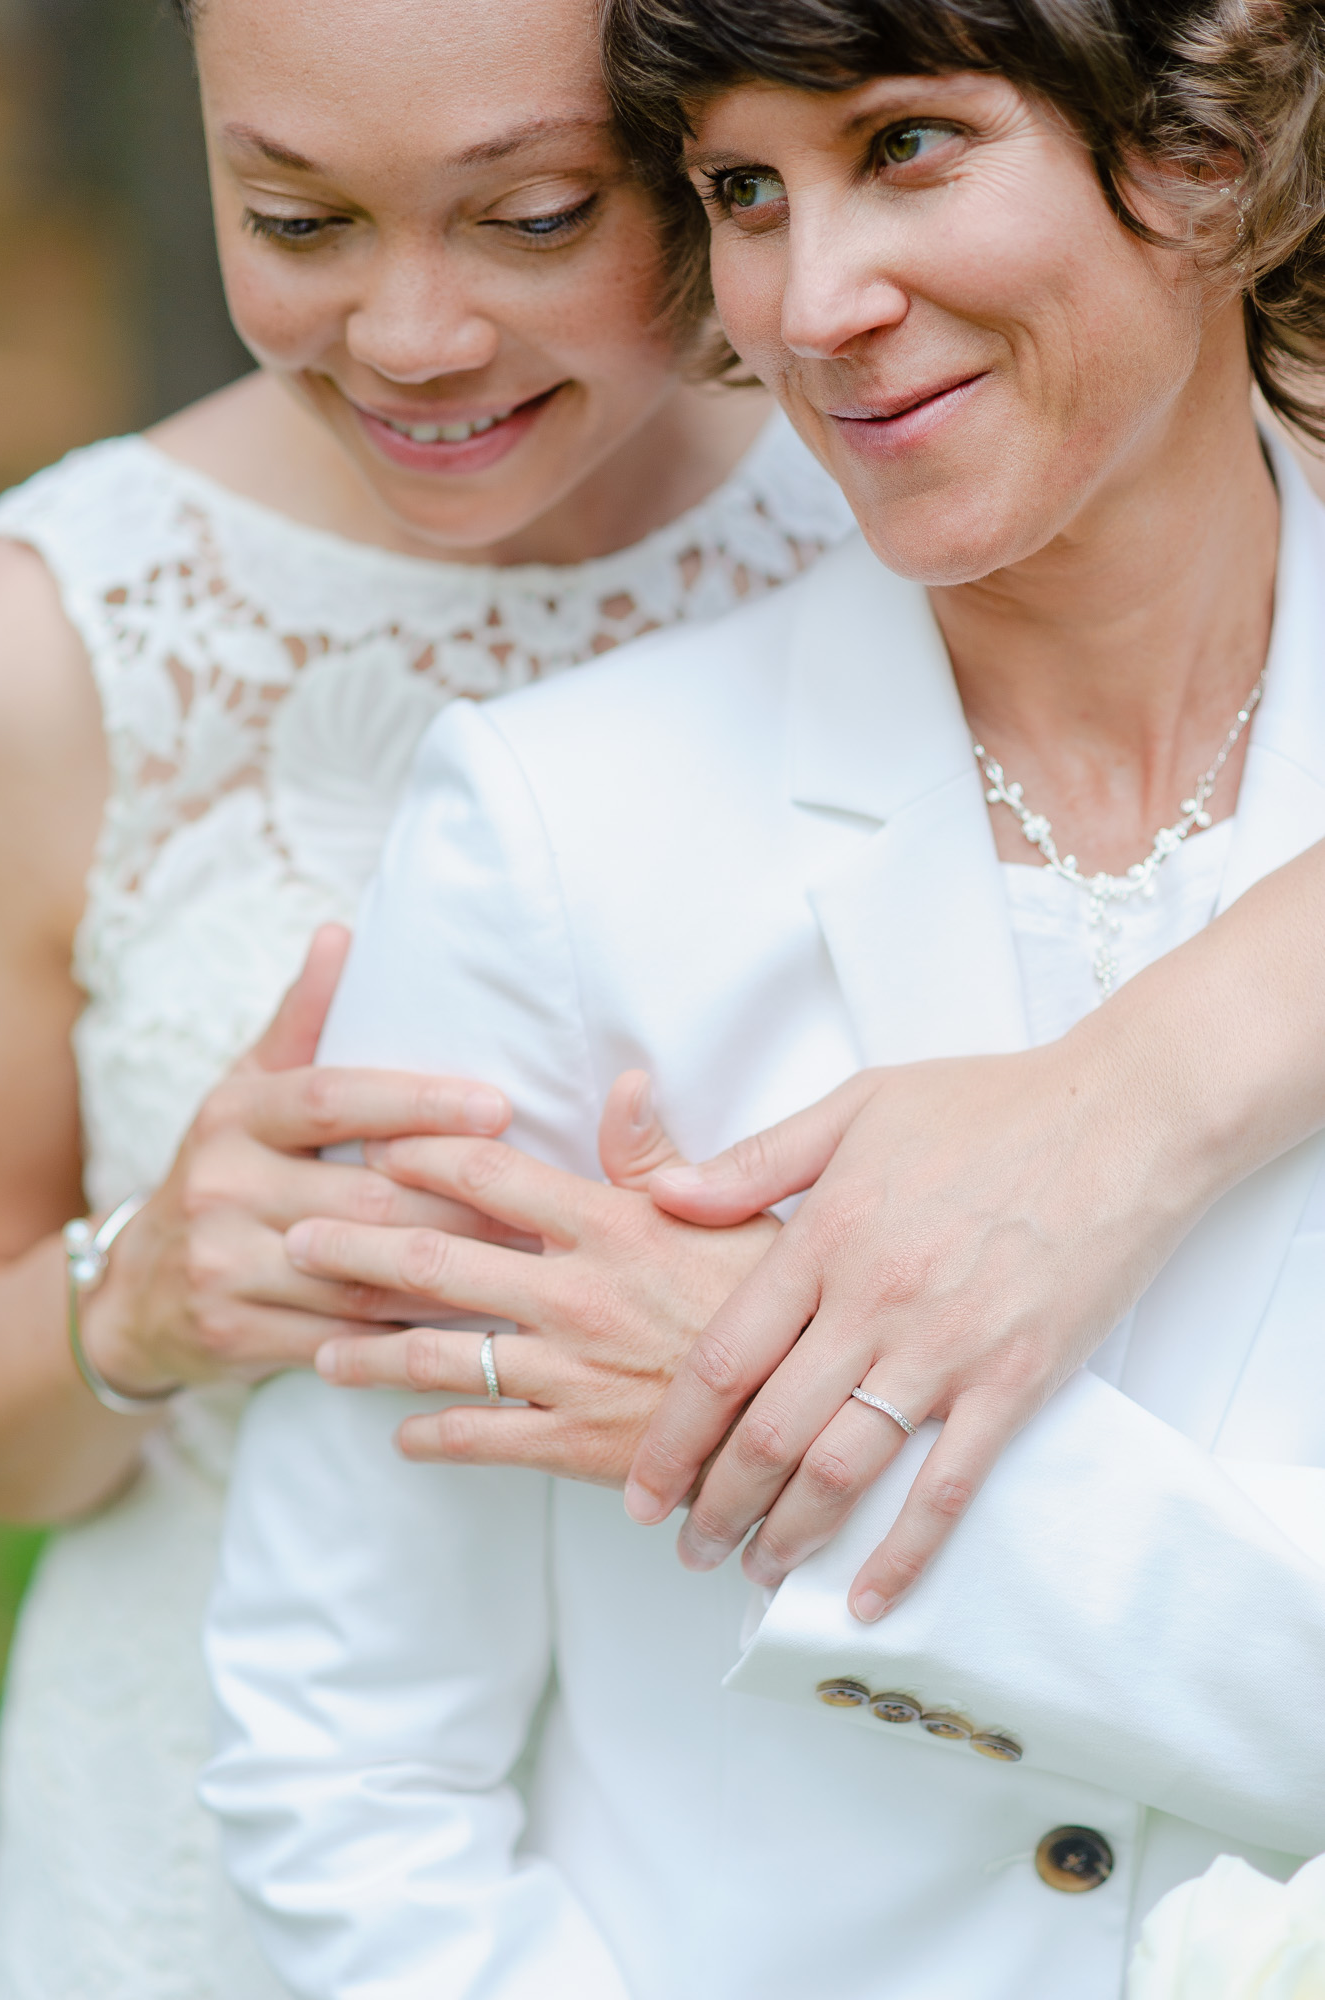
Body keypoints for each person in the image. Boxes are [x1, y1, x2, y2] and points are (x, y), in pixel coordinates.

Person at [203, 1, 1325, 1995]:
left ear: (1211, 139)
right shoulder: (557, 833)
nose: (813, 301)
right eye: (743, 191)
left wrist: (811, 1423)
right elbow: (346, 1753)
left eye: (905, 147)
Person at [0, 0, 858, 1988]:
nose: (410, 336)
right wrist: (138, 1305)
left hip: (816, 1850)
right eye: (296, 220)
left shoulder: (909, 535)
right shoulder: (60, 646)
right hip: (213, 1874)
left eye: (534, 216)